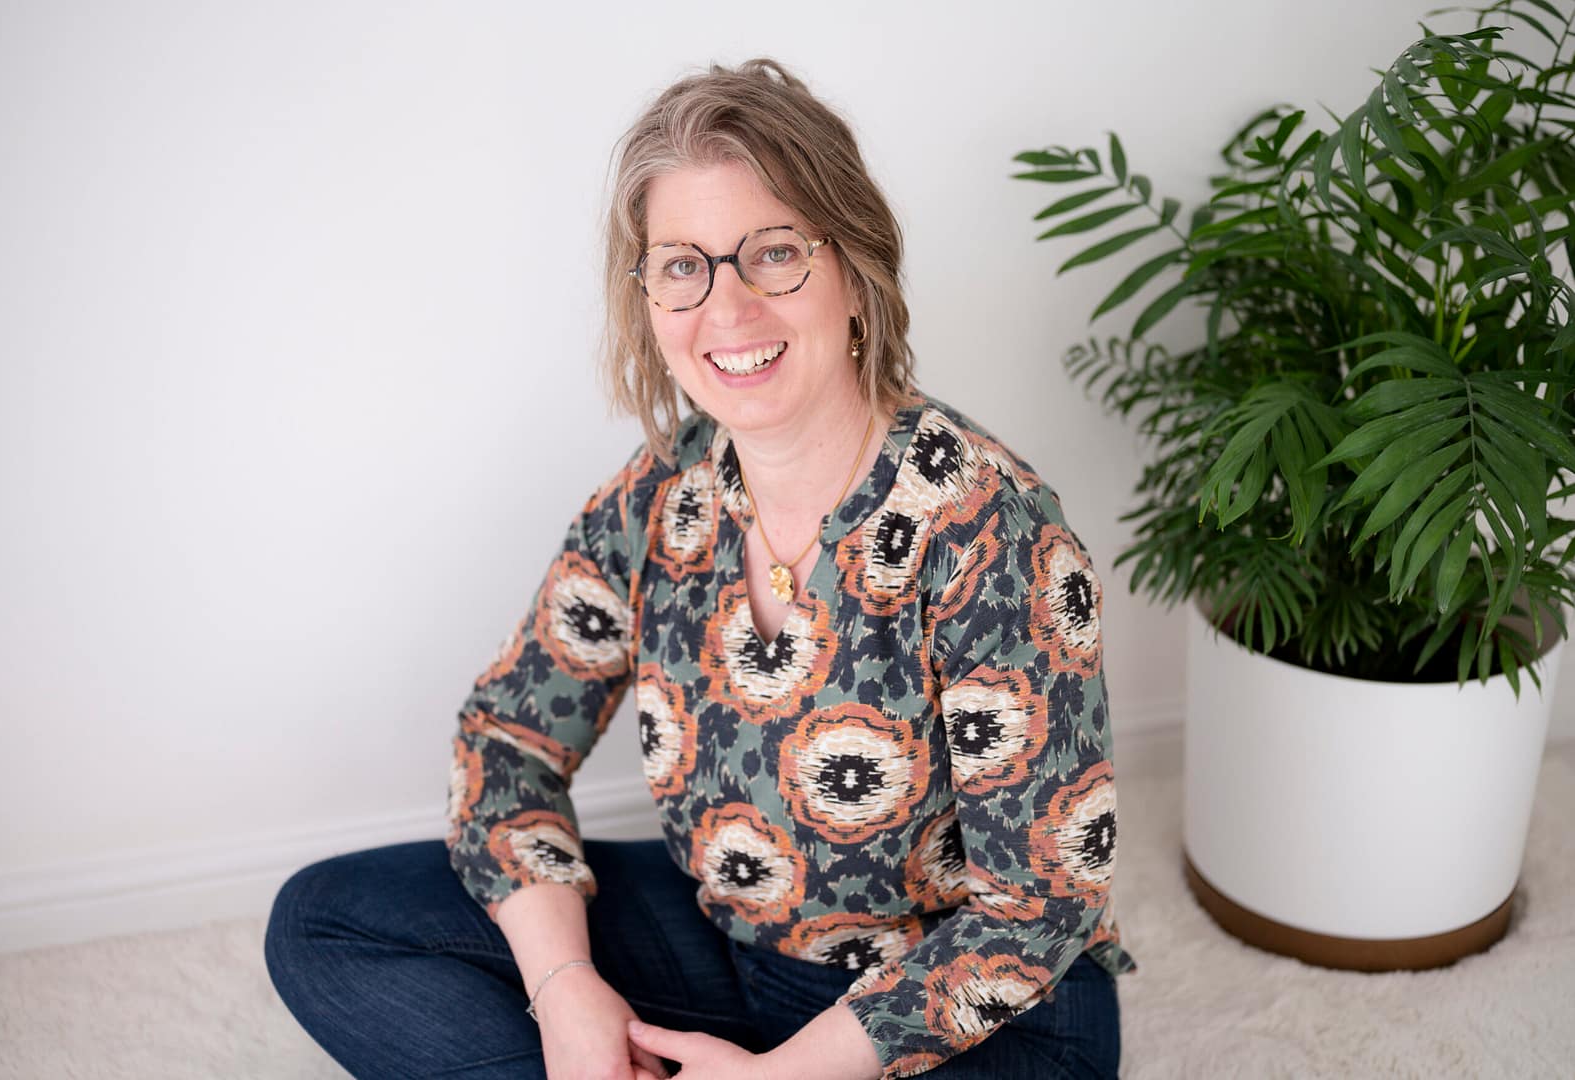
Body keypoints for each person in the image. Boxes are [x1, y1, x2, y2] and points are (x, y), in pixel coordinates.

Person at [265, 57, 1137, 1080]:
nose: (726, 308)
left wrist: (781, 1078)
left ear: (854, 269)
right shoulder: (663, 493)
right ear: (647, 296)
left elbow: (1040, 907)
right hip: (731, 945)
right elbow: (507, 741)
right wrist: (565, 994)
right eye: (683, 265)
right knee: (326, 923)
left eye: (772, 253)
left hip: (963, 1012)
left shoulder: (995, 532)